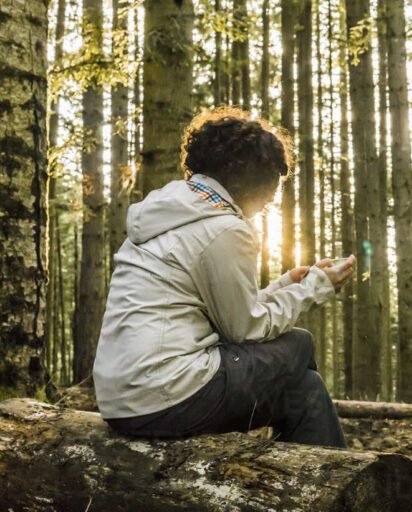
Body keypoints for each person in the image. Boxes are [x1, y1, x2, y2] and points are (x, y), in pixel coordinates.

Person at [93, 106, 353, 447]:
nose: (267, 204)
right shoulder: (224, 228)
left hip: (121, 397)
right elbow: (245, 329)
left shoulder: (171, 211)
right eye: (270, 193)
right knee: (298, 344)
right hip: (165, 396)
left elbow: (220, 310)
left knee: (304, 390)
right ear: (255, 181)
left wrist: (285, 285)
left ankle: (313, 474)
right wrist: (315, 288)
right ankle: (322, 485)